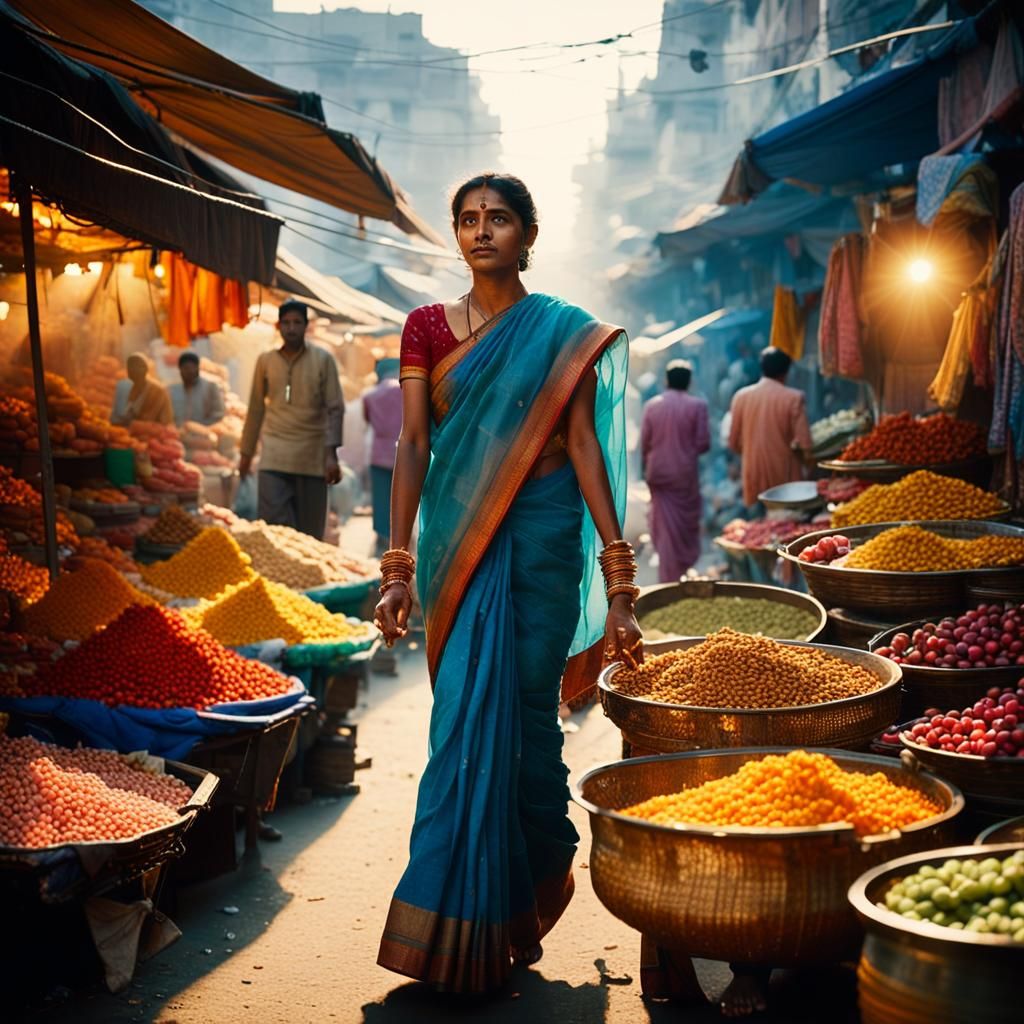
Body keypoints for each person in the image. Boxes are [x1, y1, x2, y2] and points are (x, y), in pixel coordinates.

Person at [374, 173, 642, 994]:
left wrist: (620, 574)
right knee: (460, 725)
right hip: (459, 549)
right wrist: (397, 566)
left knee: (528, 729)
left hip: (545, 546)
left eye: (497, 219)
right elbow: (415, 444)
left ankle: (521, 902)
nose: (480, 231)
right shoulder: (424, 328)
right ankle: (448, 923)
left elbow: (585, 448)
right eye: (467, 220)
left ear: (529, 234)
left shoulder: (561, 334)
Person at [238, 300, 343, 539]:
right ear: (278, 327)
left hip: (311, 458)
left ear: (306, 326)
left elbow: (334, 409)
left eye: (297, 322)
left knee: (309, 534)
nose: (291, 328)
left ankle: (311, 578)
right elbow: (255, 409)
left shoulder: (323, 360)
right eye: (286, 323)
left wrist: (331, 455)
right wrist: (246, 453)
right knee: (273, 531)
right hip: (274, 456)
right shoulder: (265, 361)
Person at [640, 359, 710, 582]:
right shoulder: (698, 406)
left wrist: (646, 469)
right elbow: (703, 443)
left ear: (666, 381)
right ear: (689, 382)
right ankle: (674, 573)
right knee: (682, 527)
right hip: (684, 476)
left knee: (664, 526)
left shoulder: (652, 405)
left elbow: (645, 443)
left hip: (658, 474)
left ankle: (668, 575)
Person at [728, 346, 813, 508]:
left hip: (753, 477)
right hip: (785, 483)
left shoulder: (740, 397)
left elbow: (733, 442)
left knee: (758, 529)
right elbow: (805, 445)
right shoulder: (793, 398)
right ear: (787, 371)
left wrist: (753, 453)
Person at [362, 357, 403, 554]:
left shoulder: (371, 395)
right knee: (402, 499)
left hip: (379, 454)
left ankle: (382, 539)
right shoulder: (407, 392)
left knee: (380, 499)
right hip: (404, 455)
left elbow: (367, 419)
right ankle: (400, 542)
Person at [110, 353, 174, 427]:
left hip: (152, 432)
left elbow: (150, 419)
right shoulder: (126, 387)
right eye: (130, 367)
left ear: (145, 369)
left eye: (137, 367)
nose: (133, 370)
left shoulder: (157, 391)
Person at [168, 351, 225, 427]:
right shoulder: (173, 390)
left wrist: (199, 427)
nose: (190, 371)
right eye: (186, 368)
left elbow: (218, 414)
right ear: (180, 370)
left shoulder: (210, 387)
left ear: (198, 368)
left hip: (204, 433)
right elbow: (168, 415)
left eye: (193, 367)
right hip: (176, 433)